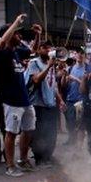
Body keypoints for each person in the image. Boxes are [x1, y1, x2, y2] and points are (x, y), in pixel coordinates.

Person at [0, 14, 33, 177]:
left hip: (25, 100)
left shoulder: (16, 53)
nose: (20, 36)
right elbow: (2, 42)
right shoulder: (3, 53)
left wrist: (36, 35)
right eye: (16, 33)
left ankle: (23, 159)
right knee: (11, 132)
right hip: (12, 101)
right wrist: (16, 22)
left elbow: (31, 51)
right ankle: (10, 165)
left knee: (29, 129)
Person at [26, 37, 63, 168]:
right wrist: (49, 66)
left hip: (50, 103)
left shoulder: (51, 64)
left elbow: (53, 85)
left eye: (49, 48)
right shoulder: (34, 63)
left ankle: (48, 155)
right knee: (39, 133)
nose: (47, 50)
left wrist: (60, 99)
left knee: (51, 132)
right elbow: (36, 80)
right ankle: (39, 158)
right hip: (38, 104)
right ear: (39, 49)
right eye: (44, 47)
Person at [62, 52, 87, 146]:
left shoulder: (87, 69)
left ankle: (79, 144)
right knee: (69, 121)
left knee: (80, 123)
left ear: (85, 56)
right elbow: (63, 85)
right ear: (75, 55)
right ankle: (71, 139)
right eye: (78, 53)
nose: (80, 55)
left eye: (82, 54)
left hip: (81, 99)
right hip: (70, 98)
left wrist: (76, 79)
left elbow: (87, 85)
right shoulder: (70, 68)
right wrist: (65, 76)